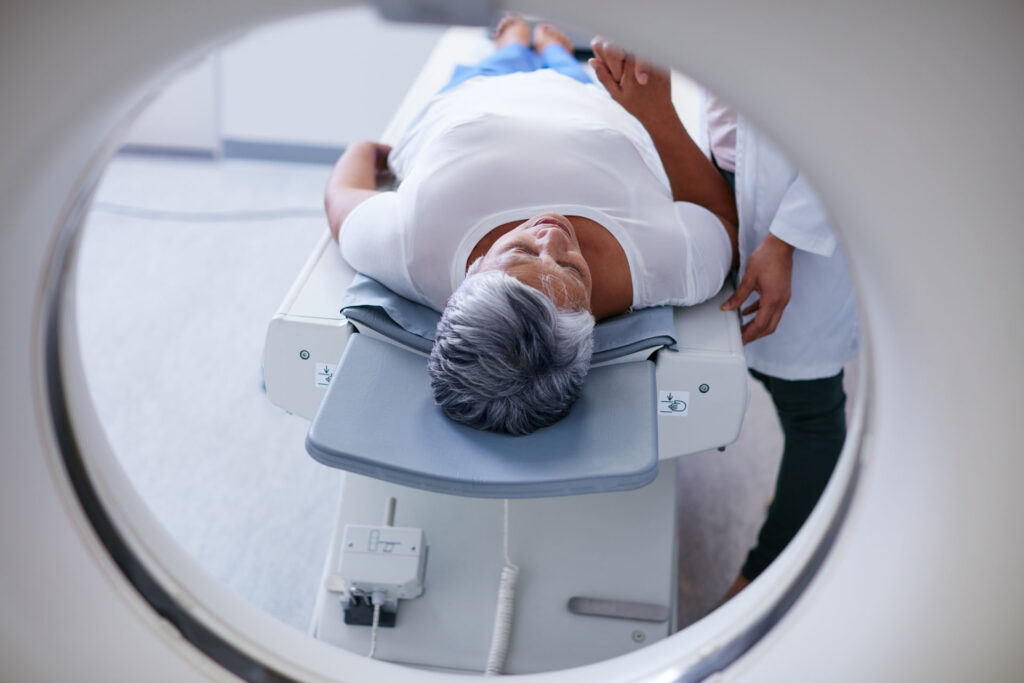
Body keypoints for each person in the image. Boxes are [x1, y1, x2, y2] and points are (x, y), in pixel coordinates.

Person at [324, 16, 739, 435]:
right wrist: (659, 115)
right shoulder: (667, 267)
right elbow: (721, 220)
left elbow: (341, 200)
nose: (554, 235)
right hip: (587, 102)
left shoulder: (409, 250)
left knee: (504, 53)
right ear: (590, 324)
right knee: (564, 62)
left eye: (520, 251)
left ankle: (515, 40)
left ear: (462, 286)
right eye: (574, 270)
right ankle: (550, 47)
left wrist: (362, 152)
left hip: (474, 97)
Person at [588, 40, 858, 598]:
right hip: (726, 165)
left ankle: (765, 577)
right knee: (751, 357)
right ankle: (802, 500)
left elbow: (856, 123)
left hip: (792, 201)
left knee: (810, 407)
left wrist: (784, 241)